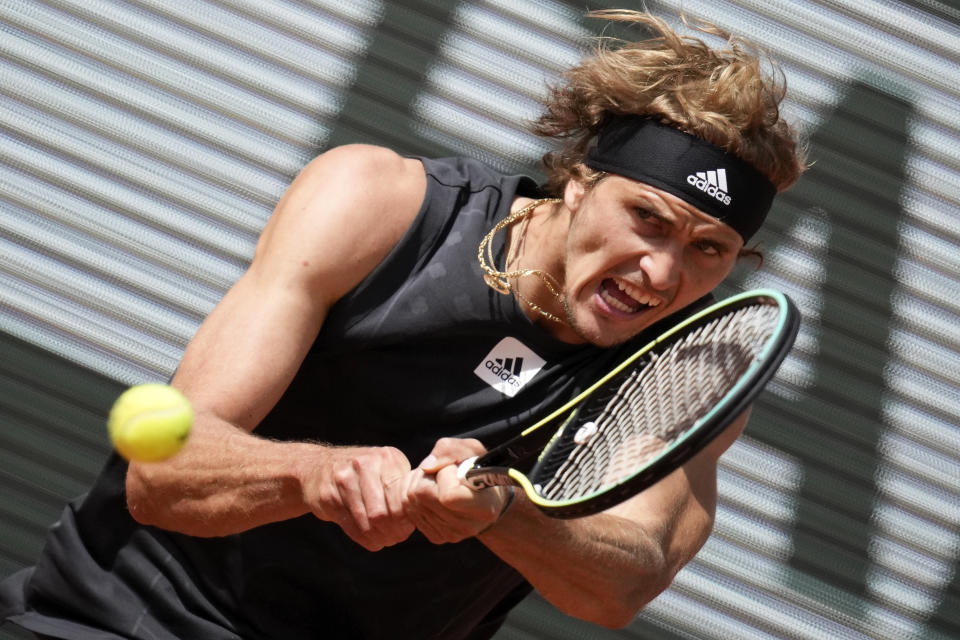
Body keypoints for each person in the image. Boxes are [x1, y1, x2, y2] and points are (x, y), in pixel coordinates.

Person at [0, 10, 805, 640]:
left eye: (710, 249)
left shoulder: (692, 365)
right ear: (578, 181)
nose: (664, 273)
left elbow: (624, 582)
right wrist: (317, 478)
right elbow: (162, 474)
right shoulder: (378, 204)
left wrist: (504, 514)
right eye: (647, 219)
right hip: (118, 617)